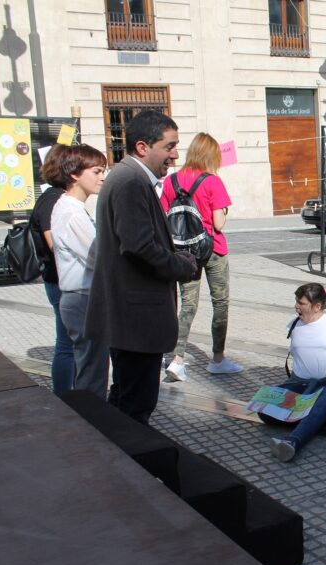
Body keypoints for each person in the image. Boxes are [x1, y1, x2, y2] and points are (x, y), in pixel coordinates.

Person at [85, 110, 198, 425]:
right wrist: (182, 264)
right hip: (136, 319)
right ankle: (130, 466)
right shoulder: (131, 181)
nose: (175, 156)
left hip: (131, 317)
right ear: (142, 147)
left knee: (124, 398)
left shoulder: (128, 178)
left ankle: (118, 457)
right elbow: (138, 247)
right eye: (169, 146)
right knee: (135, 405)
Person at [161, 132, 241, 381]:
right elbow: (218, 224)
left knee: (188, 305)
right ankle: (217, 359)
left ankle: (177, 359)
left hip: (184, 252)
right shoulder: (212, 182)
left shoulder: (171, 181)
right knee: (220, 302)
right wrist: (224, 211)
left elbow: (164, 218)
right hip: (213, 249)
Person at [46, 144, 110, 399]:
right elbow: (100, 257)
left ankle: (92, 421)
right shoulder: (72, 213)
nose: (102, 177)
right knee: (92, 374)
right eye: (96, 171)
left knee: (90, 369)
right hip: (82, 299)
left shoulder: (71, 208)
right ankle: (93, 426)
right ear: (74, 174)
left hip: (80, 298)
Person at [266, 285, 326, 461]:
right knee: (264, 411)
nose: (296, 306)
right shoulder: (294, 324)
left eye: (301, 303)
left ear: (317, 306)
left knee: (325, 398)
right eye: (296, 301)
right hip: (299, 384)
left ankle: (293, 442)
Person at [28, 148, 74, 395]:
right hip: (60, 282)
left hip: (58, 281)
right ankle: (65, 396)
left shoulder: (55, 197)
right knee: (66, 345)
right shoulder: (53, 200)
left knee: (68, 344)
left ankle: (68, 394)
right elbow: (56, 246)